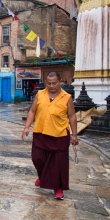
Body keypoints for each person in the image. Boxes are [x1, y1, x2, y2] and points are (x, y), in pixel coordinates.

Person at [22, 72, 78, 200]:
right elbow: (32, 111)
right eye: (49, 83)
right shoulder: (40, 94)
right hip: (40, 132)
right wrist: (26, 127)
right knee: (37, 158)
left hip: (58, 134)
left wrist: (74, 135)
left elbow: (72, 116)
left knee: (57, 164)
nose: (52, 86)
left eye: (54, 83)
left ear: (60, 82)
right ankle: (42, 177)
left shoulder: (67, 97)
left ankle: (58, 188)